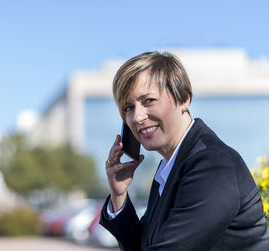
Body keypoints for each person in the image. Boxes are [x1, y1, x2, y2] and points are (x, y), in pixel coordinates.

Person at [99, 51, 269, 251]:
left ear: (183, 98)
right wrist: (118, 195)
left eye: (148, 101)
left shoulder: (212, 165)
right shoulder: (171, 167)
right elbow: (142, 246)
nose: (137, 117)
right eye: (128, 107)